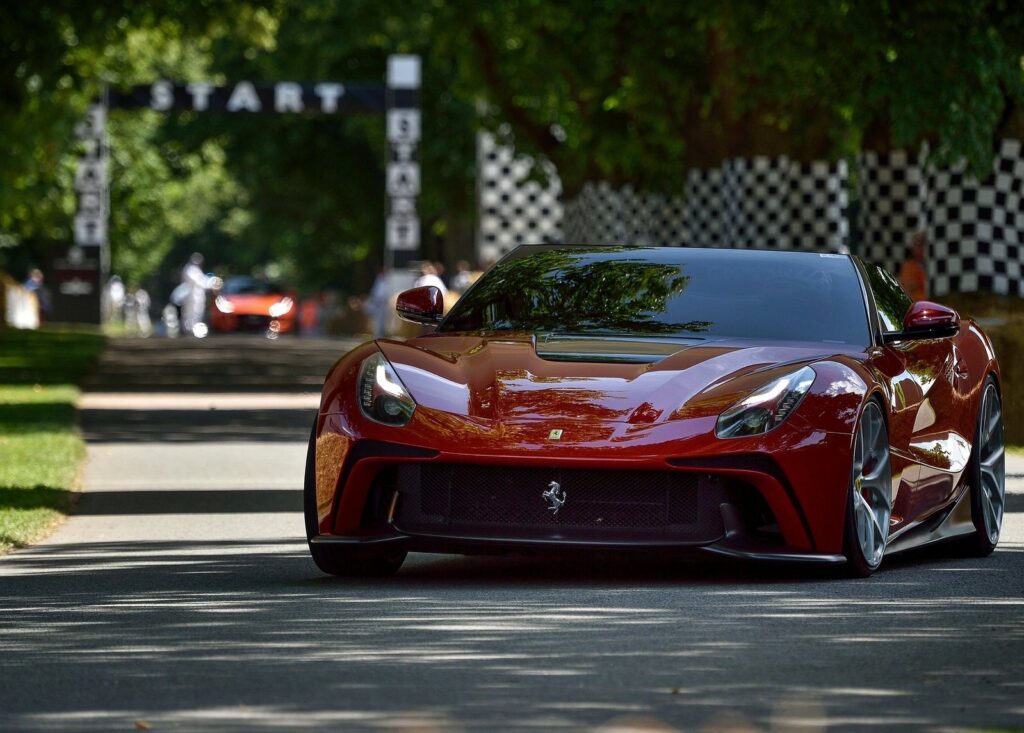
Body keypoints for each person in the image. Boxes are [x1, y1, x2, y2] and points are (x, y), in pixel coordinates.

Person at [180, 253, 216, 336]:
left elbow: (203, 280)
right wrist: (211, 284)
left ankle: (194, 328)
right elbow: (200, 282)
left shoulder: (196, 270)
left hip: (198, 295)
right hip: (191, 295)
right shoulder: (190, 269)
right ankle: (188, 329)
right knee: (191, 312)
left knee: (198, 312)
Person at [899, 232, 928, 302]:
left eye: (922, 245)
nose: (919, 248)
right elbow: (909, 287)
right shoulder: (908, 267)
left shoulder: (931, 265)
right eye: (916, 245)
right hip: (917, 305)